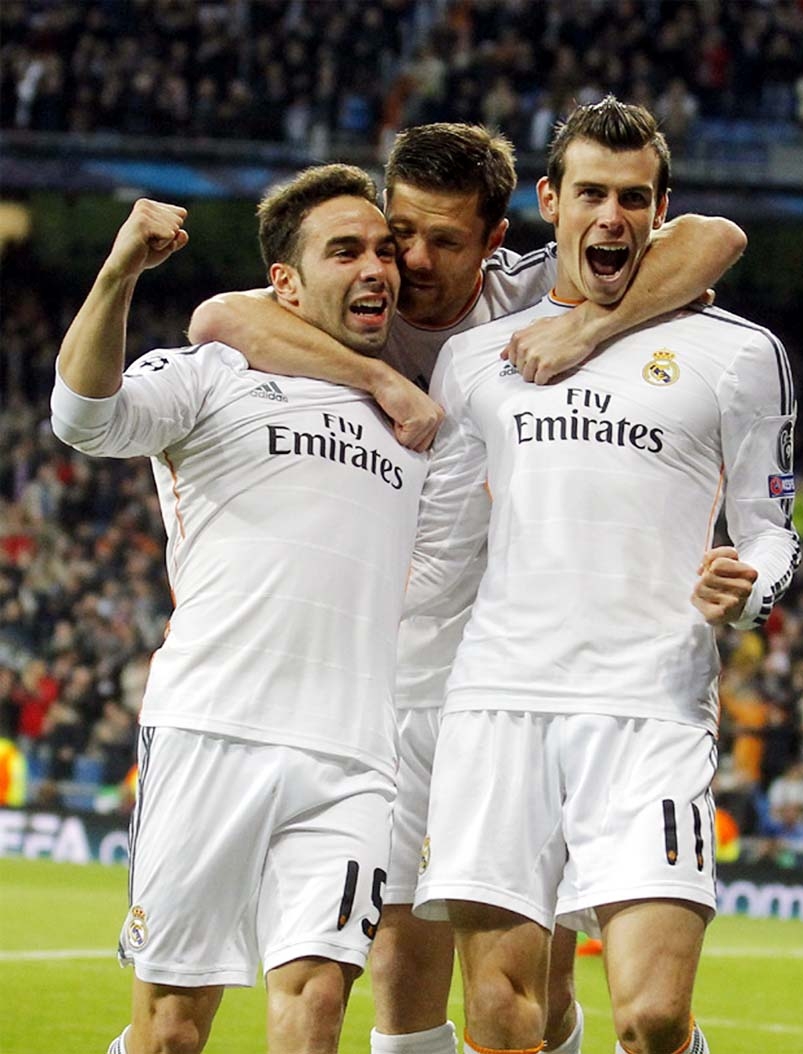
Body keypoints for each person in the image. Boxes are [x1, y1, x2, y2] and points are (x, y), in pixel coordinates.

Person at [187, 122, 748, 1054]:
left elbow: (713, 238)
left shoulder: (525, 295)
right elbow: (218, 317)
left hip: (505, 678)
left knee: (535, 983)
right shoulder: (344, 301)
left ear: (496, 243)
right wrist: (379, 377)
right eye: (399, 230)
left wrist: (591, 324)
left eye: (443, 240)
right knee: (401, 983)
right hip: (381, 687)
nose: (408, 259)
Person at [405, 97, 800, 1054]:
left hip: (650, 703)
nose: (610, 217)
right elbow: (446, 549)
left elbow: (773, 531)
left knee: (654, 1018)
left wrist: (750, 589)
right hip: (498, 702)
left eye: (633, 197)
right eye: (590, 194)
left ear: (662, 210)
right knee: (502, 1018)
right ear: (551, 200)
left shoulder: (742, 356)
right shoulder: (473, 360)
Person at [50, 166, 431, 1054]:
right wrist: (119, 274)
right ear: (286, 283)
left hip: (353, 754)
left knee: (317, 1010)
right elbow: (82, 417)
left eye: (384, 250)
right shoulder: (211, 376)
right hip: (213, 730)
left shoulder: (420, 415)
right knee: (173, 1030)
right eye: (346, 251)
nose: (377, 267)